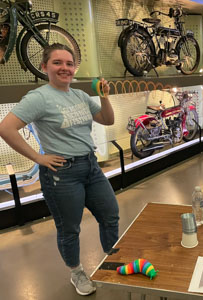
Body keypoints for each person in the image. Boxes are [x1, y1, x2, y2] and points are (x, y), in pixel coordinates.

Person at [0, 43, 119, 296]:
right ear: (44, 67)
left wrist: (105, 97)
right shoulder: (39, 97)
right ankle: (77, 273)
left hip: (91, 167)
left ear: (74, 68)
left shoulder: (80, 96)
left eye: (69, 63)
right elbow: (6, 128)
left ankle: (113, 260)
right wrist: (38, 158)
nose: (65, 68)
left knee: (110, 215)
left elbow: (108, 120)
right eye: (57, 63)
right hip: (62, 174)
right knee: (69, 229)